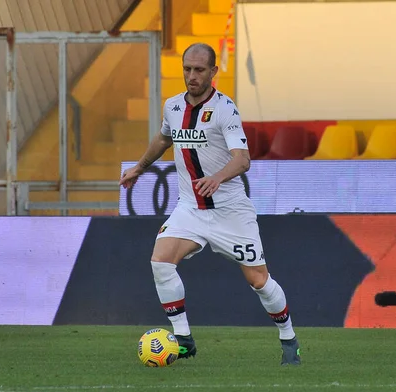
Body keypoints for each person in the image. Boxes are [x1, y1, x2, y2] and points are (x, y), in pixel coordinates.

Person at [119, 43, 301, 366]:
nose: (192, 76)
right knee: (160, 260)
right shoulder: (173, 107)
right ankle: (185, 340)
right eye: (187, 69)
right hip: (190, 208)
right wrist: (139, 168)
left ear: (214, 72)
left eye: (199, 70)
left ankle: (288, 338)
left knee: (258, 280)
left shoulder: (225, 110)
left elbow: (242, 160)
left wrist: (217, 178)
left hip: (230, 212)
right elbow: (164, 138)